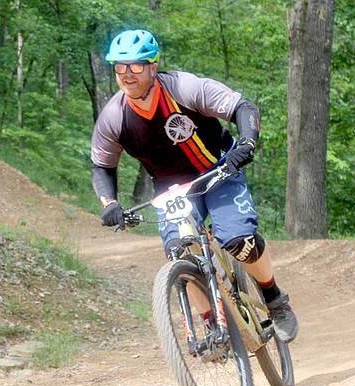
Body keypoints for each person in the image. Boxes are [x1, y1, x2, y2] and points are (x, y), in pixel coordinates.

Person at [90, 29, 298, 343]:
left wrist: (246, 144)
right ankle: (211, 325)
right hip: (172, 189)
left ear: (153, 66)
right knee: (180, 253)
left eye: (135, 65)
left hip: (218, 169)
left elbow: (243, 107)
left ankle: (274, 299)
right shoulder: (113, 118)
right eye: (120, 66)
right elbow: (102, 167)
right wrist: (110, 204)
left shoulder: (182, 88)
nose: (126, 74)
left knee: (239, 240)